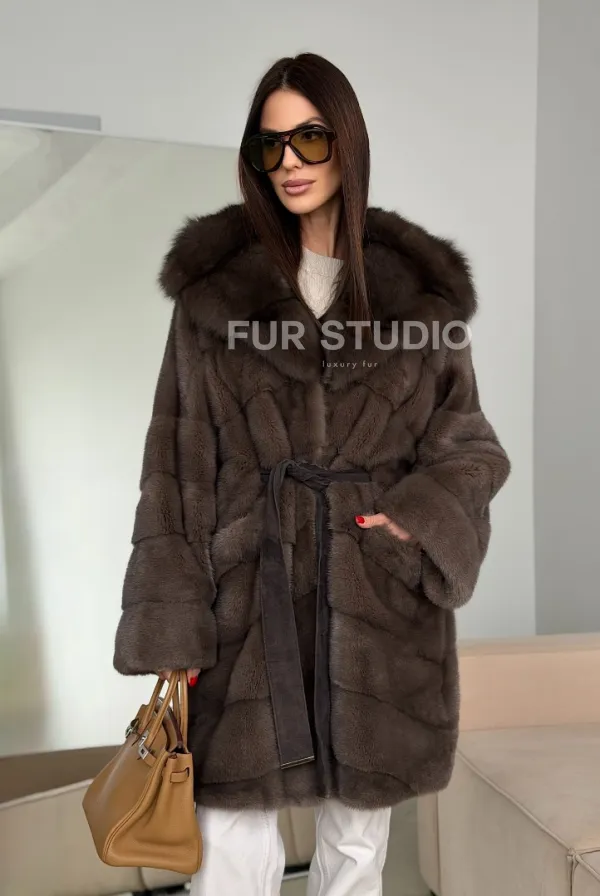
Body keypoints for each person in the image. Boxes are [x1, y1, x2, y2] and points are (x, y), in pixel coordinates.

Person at [113, 52, 510, 896]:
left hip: (375, 599)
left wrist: (412, 520)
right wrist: (174, 622)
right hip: (244, 598)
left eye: (311, 138)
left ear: (347, 143)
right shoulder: (214, 294)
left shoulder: (418, 296)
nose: (290, 161)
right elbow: (175, 464)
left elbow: (470, 445)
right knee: (228, 844)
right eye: (271, 145)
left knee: (357, 849)